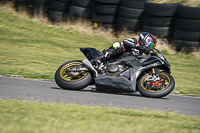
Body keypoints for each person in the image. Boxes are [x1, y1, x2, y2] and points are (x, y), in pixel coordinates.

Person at [91, 32, 157, 64]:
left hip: (118, 64)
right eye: (151, 45)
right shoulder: (134, 41)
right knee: (119, 46)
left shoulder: (139, 54)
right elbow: (125, 42)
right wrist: (140, 46)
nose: (151, 47)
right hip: (112, 55)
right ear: (146, 40)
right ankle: (99, 58)